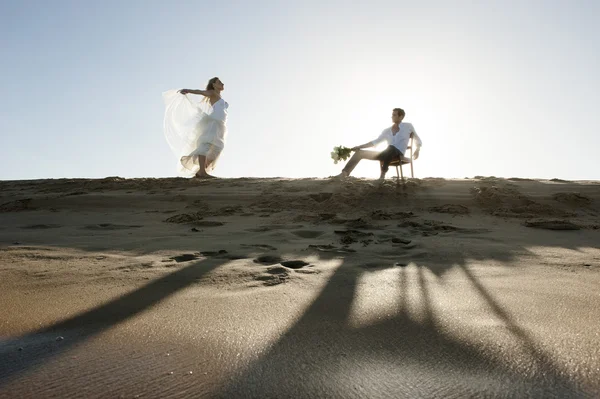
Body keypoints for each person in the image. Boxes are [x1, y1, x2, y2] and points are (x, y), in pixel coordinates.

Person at [162, 77, 228, 179]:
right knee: (206, 144)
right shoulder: (212, 93)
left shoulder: (219, 96)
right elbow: (200, 92)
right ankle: (202, 172)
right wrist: (188, 91)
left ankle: (201, 170)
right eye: (219, 82)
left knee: (218, 147)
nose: (222, 83)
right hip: (213, 123)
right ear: (214, 85)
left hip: (221, 125)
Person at [336, 108, 422, 180]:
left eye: (394, 115)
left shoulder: (408, 126)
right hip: (385, 154)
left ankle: (383, 174)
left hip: (398, 152)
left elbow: (417, 139)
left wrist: (417, 149)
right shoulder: (387, 130)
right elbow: (375, 142)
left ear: (401, 116)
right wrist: (359, 146)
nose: (392, 116)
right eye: (392, 114)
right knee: (359, 153)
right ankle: (345, 173)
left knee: (391, 148)